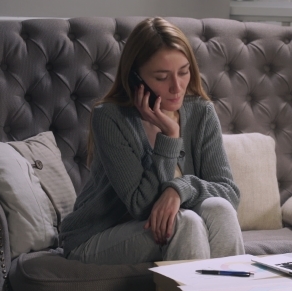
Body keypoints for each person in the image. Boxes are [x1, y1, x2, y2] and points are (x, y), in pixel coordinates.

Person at [59, 17, 245, 265]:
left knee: (219, 209)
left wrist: (179, 189)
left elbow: (228, 193)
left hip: (169, 227)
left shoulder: (201, 112)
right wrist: (169, 136)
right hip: (96, 236)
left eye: (184, 71)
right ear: (136, 78)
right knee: (185, 222)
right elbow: (141, 205)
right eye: (161, 77)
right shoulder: (110, 118)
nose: (176, 87)